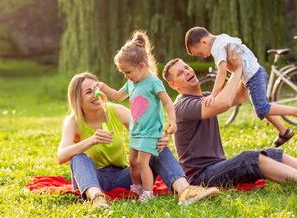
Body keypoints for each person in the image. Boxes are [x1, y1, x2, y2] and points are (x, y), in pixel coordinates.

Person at [162, 46, 297, 191]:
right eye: (180, 73)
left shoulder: (205, 97)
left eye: (186, 68)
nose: (187, 72)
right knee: (249, 158)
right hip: (201, 177)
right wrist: (237, 70)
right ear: (174, 85)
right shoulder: (183, 106)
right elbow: (225, 103)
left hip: (215, 168)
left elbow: (240, 96)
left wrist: (245, 67)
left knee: (272, 154)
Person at [57, 72, 220, 210]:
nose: (96, 94)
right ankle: (97, 199)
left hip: (123, 177)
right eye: (89, 92)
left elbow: (145, 130)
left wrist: (161, 137)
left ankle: (184, 190)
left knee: (152, 145)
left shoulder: (116, 111)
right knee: (78, 158)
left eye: (97, 89)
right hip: (94, 179)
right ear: (77, 99)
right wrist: (91, 141)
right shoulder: (73, 122)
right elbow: (61, 156)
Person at [184, 27, 297, 147]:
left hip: (254, 76)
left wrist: (213, 94)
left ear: (204, 41)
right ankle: (284, 131)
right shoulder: (222, 38)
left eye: (201, 53)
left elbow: (221, 73)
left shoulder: (217, 48)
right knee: (259, 104)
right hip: (253, 74)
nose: (204, 56)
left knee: (261, 108)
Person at [92, 31, 178, 202]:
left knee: (142, 162)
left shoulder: (153, 82)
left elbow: (168, 102)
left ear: (142, 66)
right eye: (123, 73)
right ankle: (137, 187)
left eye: (128, 72)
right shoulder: (131, 82)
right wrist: (102, 87)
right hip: (136, 131)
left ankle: (148, 194)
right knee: (132, 161)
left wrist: (173, 121)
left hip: (150, 131)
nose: (126, 76)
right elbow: (117, 96)